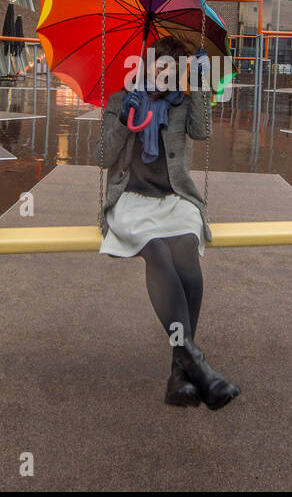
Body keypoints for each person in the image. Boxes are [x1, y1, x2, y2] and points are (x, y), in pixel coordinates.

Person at [98, 36, 240, 410]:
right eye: (158, 65)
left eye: (172, 70)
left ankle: (180, 371)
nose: (164, 74)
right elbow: (101, 156)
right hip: (130, 199)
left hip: (174, 198)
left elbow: (203, 131)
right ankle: (193, 360)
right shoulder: (120, 99)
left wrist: (201, 86)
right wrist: (125, 122)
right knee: (158, 253)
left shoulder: (183, 104)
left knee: (186, 252)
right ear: (147, 65)